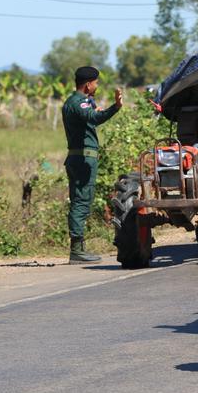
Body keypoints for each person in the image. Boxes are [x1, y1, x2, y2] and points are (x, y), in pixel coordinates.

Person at [62, 66, 122, 263]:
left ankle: (78, 248)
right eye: (95, 82)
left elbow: (90, 116)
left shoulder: (78, 102)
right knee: (81, 201)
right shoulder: (78, 103)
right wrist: (116, 107)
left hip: (79, 158)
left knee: (80, 200)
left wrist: (94, 105)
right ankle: (77, 250)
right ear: (88, 85)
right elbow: (94, 118)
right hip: (82, 159)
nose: (97, 86)